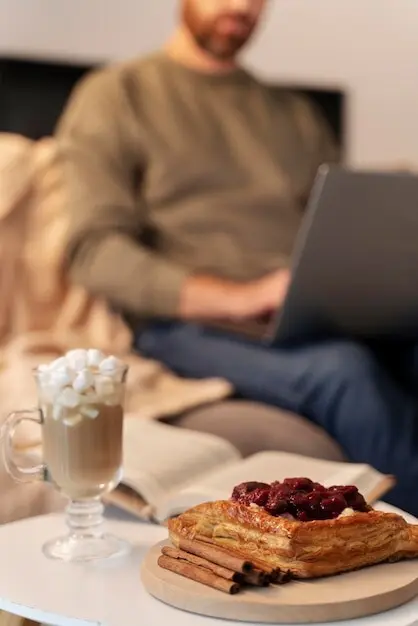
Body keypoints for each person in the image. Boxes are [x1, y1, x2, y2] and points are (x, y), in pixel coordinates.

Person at [56, 0, 418, 515]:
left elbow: (341, 222)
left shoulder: (292, 112)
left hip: (304, 310)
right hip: (190, 323)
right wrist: (241, 297)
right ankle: (402, 549)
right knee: (345, 372)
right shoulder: (117, 94)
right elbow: (94, 251)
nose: (241, 5)